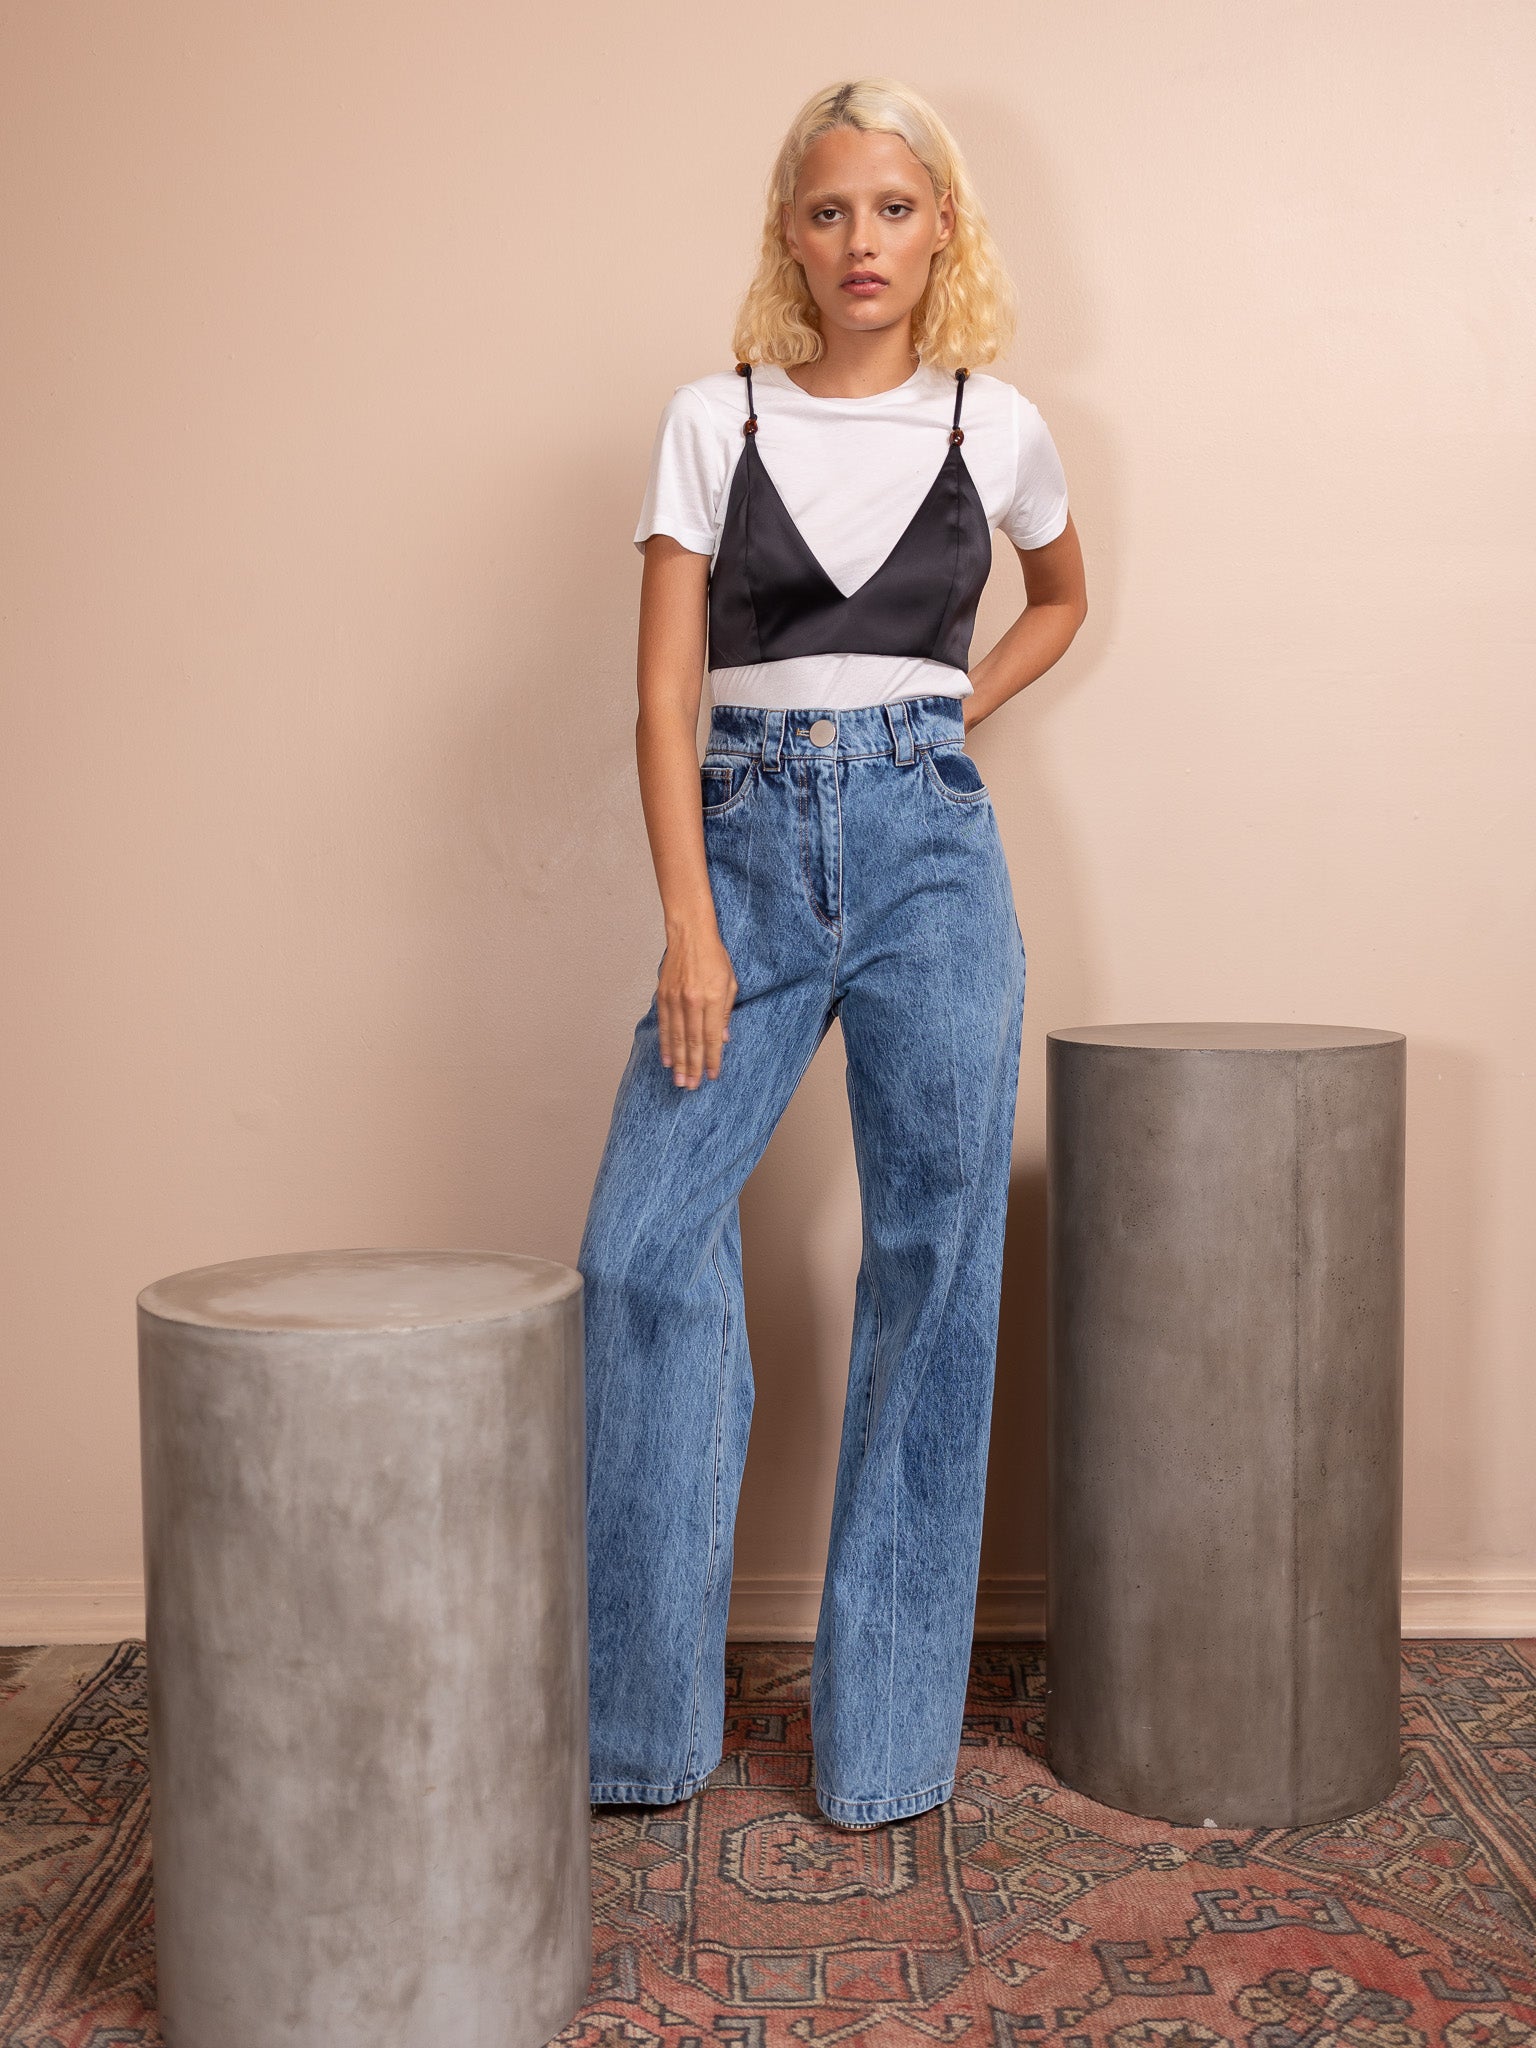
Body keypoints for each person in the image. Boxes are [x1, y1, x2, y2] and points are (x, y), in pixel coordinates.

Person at [578, 77, 1087, 1832]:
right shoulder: (711, 419)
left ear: (943, 228)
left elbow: (1065, 597)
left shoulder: (996, 424)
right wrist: (691, 925)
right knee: (639, 1247)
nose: (860, 241)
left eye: (893, 207)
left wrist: (949, 714)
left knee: (934, 1265)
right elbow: (661, 693)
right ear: (788, 236)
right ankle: (642, 1728)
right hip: (744, 845)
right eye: (827, 210)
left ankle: (884, 1749)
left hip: (933, 854)